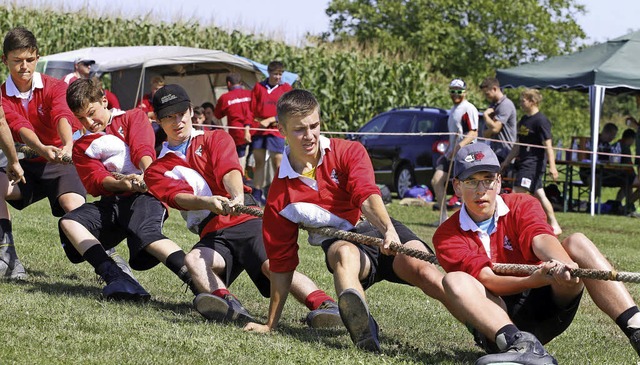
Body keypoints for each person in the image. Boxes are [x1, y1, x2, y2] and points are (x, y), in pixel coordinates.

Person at [243, 89, 451, 353]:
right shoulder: (280, 197)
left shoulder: (348, 151)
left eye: (314, 126)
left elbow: (366, 194)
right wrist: (270, 323)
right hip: (343, 242)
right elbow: (281, 265)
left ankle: (481, 327)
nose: (310, 136)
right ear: (281, 130)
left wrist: (387, 230)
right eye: (299, 130)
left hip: (380, 228)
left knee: (426, 272)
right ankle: (364, 331)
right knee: (343, 253)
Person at [143, 84, 341, 327]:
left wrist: (236, 196)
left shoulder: (216, 137)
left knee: (271, 265)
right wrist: (207, 202)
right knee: (194, 260)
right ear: (157, 120)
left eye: (181, 113)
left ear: (191, 111)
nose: (177, 122)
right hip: (211, 231)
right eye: (168, 117)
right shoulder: (156, 169)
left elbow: (229, 170)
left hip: (246, 218)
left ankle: (325, 305)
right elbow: (177, 197)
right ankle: (228, 306)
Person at [433, 142, 640, 364]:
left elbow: (540, 237)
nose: (481, 190)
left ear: (499, 181)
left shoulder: (523, 203)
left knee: (577, 242)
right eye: (471, 182)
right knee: (454, 280)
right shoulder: (445, 235)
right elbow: (487, 279)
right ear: (457, 186)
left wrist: (562, 263)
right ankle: (519, 345)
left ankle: (636, 329)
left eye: (488, 180)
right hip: (497, 321)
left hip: (548, 302)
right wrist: (533, 280)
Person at [58, 78, 194, 301]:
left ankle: (203, 284)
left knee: (147, 235)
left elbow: (142, 148)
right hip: (112, 201)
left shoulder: (133, 117)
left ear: (104, 101)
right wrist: (124, 184)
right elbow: (96, 181)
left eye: (92, 112)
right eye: (81, 118)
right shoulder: (82, 145)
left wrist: (147, 176)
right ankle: (117, 278)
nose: (89, 122)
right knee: (69, 222)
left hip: (146, 198)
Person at [0, 26, 89, 279]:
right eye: (17, 61)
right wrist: (41, 148)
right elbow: (18, 126)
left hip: (59, 162)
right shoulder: (1, 96)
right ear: (4, 60)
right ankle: (7, 258)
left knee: (73, 205)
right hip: (23, 164)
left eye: (29, 59)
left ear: (37, 57)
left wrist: (67, 146)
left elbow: (61, 113)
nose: (24, 66)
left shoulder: (56, 86)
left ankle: (109, 257)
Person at [501, 89, 562, 235]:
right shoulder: (524, 120)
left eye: (523, 100)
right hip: (524, 161)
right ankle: (554, 224)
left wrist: (552, 167)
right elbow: (518, 144)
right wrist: (506, 161)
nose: (521, 103)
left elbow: (548, 145)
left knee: (516, 193)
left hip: (533, 164)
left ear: (532, 101)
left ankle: (511, 225)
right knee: (540, 195)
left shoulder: (541, 121)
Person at [431, 78, 478, 224]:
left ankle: (467, 219)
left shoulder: (468, 108)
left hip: (465, 153)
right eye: (452, 91)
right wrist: (449, 151)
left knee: (464, 186)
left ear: (465, 92)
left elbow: (473, 133)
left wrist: (459, 147)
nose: (455, 94)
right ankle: (443, 217)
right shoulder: (453, 110)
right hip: (451, 154)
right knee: (436, 181)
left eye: (459, 91)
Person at [249, 61, 292, 205]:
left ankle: (277, 194)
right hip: (260, 129)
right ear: (269, 73)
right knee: (259, 162)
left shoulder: (286, 88)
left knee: (277, 162)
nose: (278, 77)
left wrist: (272, 119)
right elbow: (252, 108)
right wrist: (250, 126)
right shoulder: (259, 87)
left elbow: (289, 109)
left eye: (280, 74)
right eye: (275, 74)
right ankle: (257, 193)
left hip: (276, 129)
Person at [214, 73, 253, 172]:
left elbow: (217, 114)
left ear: (228, 83)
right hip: (253, 130)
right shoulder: (250, 94)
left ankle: (242, 179)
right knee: (253, 157)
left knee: (239, 158)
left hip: (237, 133)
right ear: (240, 83)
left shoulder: (225, 97)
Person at [479, 77, 517, 164]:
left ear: (494, 89)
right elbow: (485, 134)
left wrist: (486, 116)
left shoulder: (505, 105)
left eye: (487, 94)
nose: (486, 97)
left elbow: (496, 129)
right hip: (494, 152)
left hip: (505, 153)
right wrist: (491, 128)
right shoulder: (492, 106)